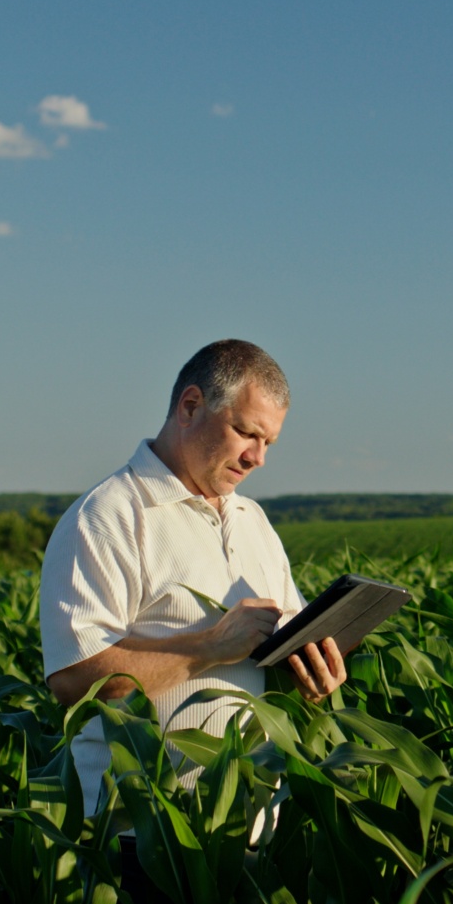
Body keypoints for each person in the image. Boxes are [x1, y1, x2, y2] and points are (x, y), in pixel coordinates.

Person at [42, 338, 346, 816]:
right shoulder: (108, 516)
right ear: (190, 406)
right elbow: (74, 679)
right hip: (143, 832)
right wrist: (209, 646)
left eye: (269, 442)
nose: (257, 458)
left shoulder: (253, 520)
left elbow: (286, 639)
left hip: (249, 828)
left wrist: (312, 672)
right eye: (246, 433)